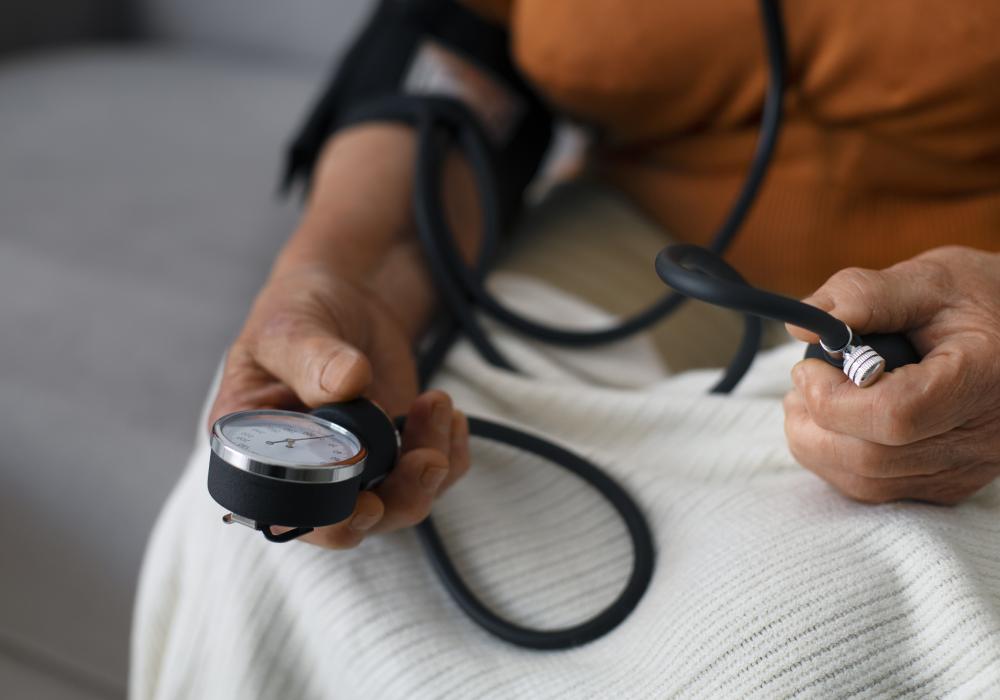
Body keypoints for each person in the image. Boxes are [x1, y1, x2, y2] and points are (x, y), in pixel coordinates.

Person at [208, 0, 1000, 558]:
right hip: (648, 241)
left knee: (814, 616)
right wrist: (349, 269)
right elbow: (460, 33)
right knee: (304, 561)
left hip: (959, 307)